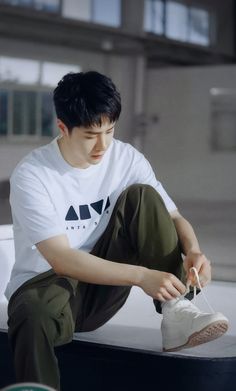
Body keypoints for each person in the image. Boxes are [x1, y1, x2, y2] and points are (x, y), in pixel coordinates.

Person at [5, 71, 228, 390]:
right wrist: (141, 276)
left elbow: (173, 216)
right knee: (32, 311)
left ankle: (177, 311)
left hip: (101, 292)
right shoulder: (33, 174)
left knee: (143, 196)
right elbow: (62, 260)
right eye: (90, 135)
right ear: (63, 127)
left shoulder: (125, 158)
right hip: (48, 289)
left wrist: (193, 249)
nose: (102, 145)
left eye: (109, 130)